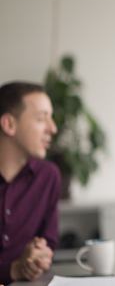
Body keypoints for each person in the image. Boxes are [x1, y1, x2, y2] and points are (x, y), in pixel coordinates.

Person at [0, 82, 60, 284]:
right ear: (9, 125)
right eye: (42, 118)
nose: (52, 128)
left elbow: (49, 243)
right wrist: (14, 270)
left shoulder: (48, 176)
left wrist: (40, 258)